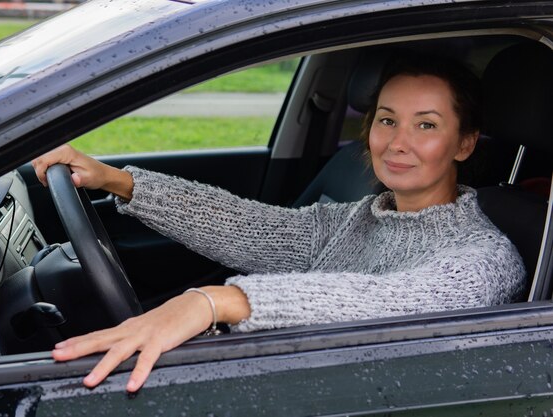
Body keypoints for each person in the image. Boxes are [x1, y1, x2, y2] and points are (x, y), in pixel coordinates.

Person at [31, 54, 526, 393]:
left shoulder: (484, 257)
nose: (398, 142)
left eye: (427, 125)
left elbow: (390, 301)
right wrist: (116, 180)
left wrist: (213, 301)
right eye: (387, 119)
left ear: (464, 144)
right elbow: (247, 226)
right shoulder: (361, 218)